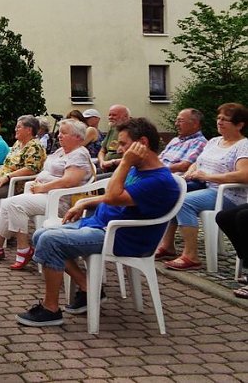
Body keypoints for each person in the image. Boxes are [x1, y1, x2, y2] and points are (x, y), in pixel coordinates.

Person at [15, 117, 181, 327]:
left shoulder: (158, 180)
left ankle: (50, 309)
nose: (119, 150)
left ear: (143, 144)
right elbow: (117, 194)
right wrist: (85, 202)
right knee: (40, 236)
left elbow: (112, 195)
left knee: (50, 240)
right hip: (101, 226)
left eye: (123, 144)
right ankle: (87, 287)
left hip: (121, 237)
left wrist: (126, 162)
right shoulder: (139, 171)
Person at [0, 119, 93, 269]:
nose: (59, 136)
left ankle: (24, 249)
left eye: (64, 133)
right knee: (7, 204)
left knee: (15, 204)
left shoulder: (79, 155)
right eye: (59, 133)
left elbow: (69, 181)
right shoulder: (61, 151)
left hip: (61, 201)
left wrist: (43, 187)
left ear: (78, 137)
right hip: (47, 195)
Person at [163, 103, 248, 271]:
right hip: (207, 188)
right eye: (218, 118)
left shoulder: (243, 145)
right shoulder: (214, 141)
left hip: (229, 194)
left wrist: (207, 176)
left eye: (225, 119)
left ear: (239, 124)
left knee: (185, 202)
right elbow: (197, 162)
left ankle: (191, 255)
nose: (220, 122)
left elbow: (243, 175)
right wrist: (191, 170)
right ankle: (167, 246)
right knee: (172, 195)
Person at [0, 115, 47, 239]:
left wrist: (8, 177)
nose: (15, 129)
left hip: (17, 183)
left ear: (29, 130)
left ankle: (2, 230)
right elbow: (8, 163)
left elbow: (31, 169)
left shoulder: (35, 146)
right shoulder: (18, 143)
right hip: (3, 178)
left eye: (19, 127)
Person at [152, 108, 208, 259]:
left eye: (180, 120)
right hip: (162, 176)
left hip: (182, 180)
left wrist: (159, 170)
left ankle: (165, 244)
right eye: (176, 120)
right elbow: (159, 159)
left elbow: (185, 165)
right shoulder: (175, 140)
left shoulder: (200, 143)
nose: (176, 123)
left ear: (195, 124)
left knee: (161, 193)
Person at [97, 104, 131, 172]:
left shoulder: (133, 130)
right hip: (106, 167)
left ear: (125, 116)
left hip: (121, 170)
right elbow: (102, 151)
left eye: (114, 115)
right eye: (109, 115)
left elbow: (135, 157)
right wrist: (102, 162)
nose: (110, 117)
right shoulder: (113, 129)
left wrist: (113, 162)